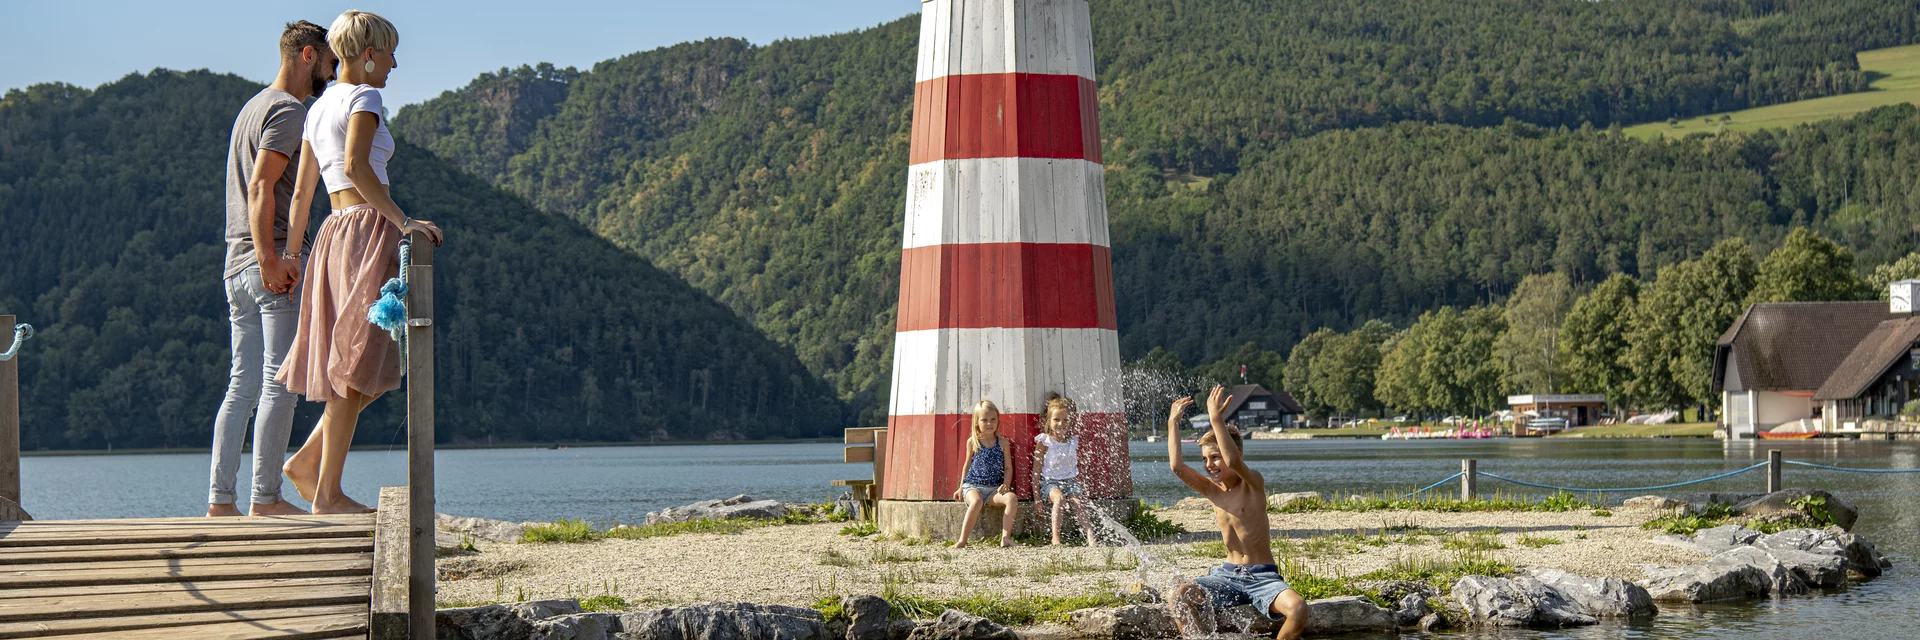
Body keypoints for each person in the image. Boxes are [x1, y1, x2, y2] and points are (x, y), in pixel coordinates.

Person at [277, 9, 443, 515]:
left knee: (360, 367)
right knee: (358, 367)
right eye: (390, 53)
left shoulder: (318, 107)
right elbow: (355, 167)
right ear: (369, 56)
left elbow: (303, 191)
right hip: (368, 231)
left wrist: (292, 254)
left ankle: (307, 463)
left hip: (331, 234)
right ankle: (326, 494)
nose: (395, 64)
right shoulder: (365, 97)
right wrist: (404, 221)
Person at [207, 20, 337, 518]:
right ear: (307, 55)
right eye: (329, 63)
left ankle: (221, 501)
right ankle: (266, 499)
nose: (331, 72)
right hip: (270, 261)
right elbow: (263, 187)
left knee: (242, 382)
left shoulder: (250, 109)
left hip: (234, 263)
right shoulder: (288, 112)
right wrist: (274, 259)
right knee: (277, 382)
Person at [1165, 386, 1307, 638]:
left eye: (1215, 457)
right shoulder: (1212, 491)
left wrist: (1216, 419)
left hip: (1262, 577)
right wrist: (1173, 422)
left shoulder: (1254, 484)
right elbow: (1177, 467)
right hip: (1226, 576)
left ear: (1236, 454)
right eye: (1205, 459)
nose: (1210, 465)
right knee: (1178, 595)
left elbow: (1233, 463)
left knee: (1297, 609)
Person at [951, 399, 1019, 548]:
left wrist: (1006, 483)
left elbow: (1008, 467)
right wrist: (961, 487)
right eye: (985, 420)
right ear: (977, 423)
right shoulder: (973, 442)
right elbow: (967, 465)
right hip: (973, 486)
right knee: (976, 502)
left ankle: (1005, 538)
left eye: (993, 419)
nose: (989, 423)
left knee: (1012, 499)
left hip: (994, 489)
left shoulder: (1003, 443)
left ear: (998, 420)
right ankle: (962, 540)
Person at [1033, 393, 1098, 546]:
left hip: (1070, 481)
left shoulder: (1073, 441)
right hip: (1050, 482)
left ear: (1071, 421)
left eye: (1065, 420)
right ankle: (1056, 538)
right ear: (1049, 420)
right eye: (1056, 419)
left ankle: (1091, 537)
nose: (1061, 424)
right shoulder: (1044, 441)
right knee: (1059, 498)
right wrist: (1037, 498)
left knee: (1078, 503)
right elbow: (1035, 472)